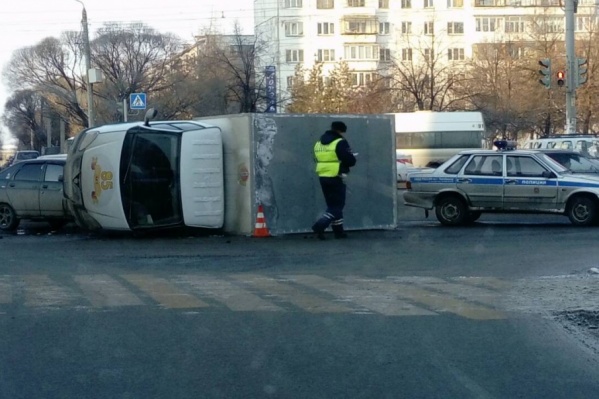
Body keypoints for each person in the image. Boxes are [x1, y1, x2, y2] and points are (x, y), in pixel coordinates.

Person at [311, 121, 357, 240]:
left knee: (332, 205)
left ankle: (338, 232)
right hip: (336, 175)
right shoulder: (340, 142)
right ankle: (320, 225)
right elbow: (350, 160)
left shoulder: (318, 143)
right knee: (338, 205)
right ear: (341, 130)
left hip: (323, 175)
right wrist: (349, 160)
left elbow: (315, 158)